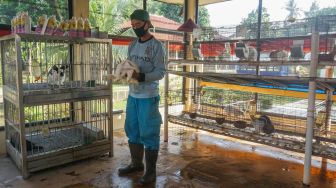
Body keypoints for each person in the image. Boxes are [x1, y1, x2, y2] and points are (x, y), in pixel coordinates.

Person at [118, 9, 166, 185]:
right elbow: (130, 65)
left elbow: (161, 72)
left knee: (149, 132)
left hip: (148, 96)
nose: (135, 28)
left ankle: (151, 172)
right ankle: (136, 164)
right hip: (133, 95)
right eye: (133, 25)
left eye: (138, 25)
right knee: (133, 130)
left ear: (147, 24)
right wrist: (124, 72)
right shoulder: (132, 45)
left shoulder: (156, 46)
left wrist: (143, 77)